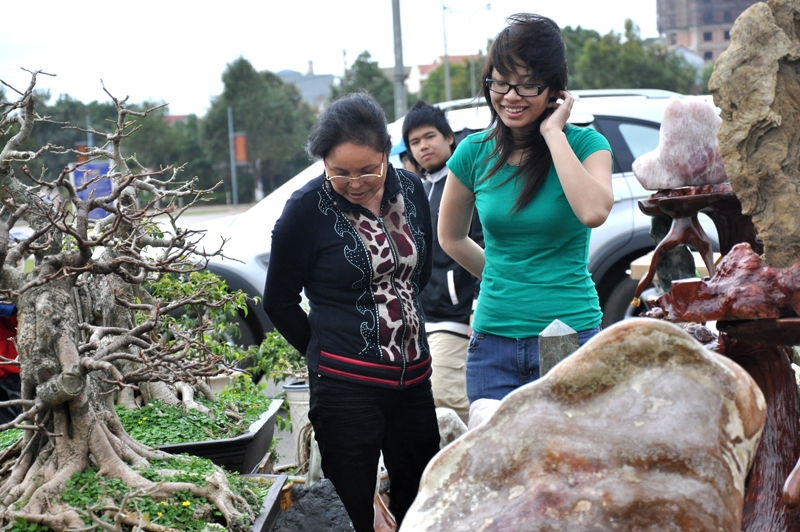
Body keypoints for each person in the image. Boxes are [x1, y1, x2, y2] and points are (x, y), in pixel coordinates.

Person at [263, 92, 441, 531]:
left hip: (414, 382)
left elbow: (421, 271)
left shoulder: (413, 190)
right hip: (346, 392)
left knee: (422, 504)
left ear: (387, 153)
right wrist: (324, 352)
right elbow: (279, 301)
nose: (355, 181)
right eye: (339, 171)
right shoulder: (304, 212)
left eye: (368, 170)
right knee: (353, 513)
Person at [437, 13, 614, 404]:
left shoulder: (586, 145)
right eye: (500, 82)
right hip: (492, 344)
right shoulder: (473, 153)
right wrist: (504, 276)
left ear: (554, 88)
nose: (511, 96)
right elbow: (450, 237)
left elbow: (593, 212)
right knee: (497, 464)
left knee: (568, 460)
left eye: (528, 84)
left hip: (568, 335)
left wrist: (553, 134)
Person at [402, 101, 482, 424]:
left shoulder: (464, 182)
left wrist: (478, 305)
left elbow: (483, 244)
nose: (423, 146)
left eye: (430, 136)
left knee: (448, 398)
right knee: (426, 400)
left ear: (450, 138)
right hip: (423, 318)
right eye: (415, 141)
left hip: (456, 315)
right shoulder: (421, 188)